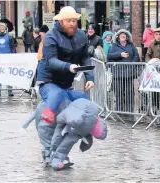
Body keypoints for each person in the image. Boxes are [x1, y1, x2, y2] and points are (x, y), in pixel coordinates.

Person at [36, 6, 94, 163]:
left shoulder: (81, 35)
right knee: (57, 102)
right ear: (60, 21)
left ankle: (87, 130)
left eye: (74, 20)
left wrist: (90, 77)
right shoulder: (50, 37)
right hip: (48, 81)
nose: (72, 24)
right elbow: (51, 60)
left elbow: (85, 58)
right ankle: (49, 152)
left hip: (66, 83)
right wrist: (68, 66)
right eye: (69, 21)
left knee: (82, 100)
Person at [107, 29, 139, 112]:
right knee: (119, 92)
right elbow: (109, 56)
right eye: (121, 34)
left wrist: (132, 64)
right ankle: (119, 110)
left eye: (124, 34)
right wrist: (120, 54)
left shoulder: (131, 45)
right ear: (118, 37)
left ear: (127, 37)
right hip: (118, 74)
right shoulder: (113, 46)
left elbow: (136, 55)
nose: (123, 36)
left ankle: (129, 110)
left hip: (129, 73)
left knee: (129, 92)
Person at [0, 22, 17, 97]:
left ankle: (10, 91)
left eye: (3, 26)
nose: (2, 28)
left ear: (5, 28)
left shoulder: (10, 36)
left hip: (8, 58)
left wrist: (12, 56)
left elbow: (13, 46)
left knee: (9, 74)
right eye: (0, 26)